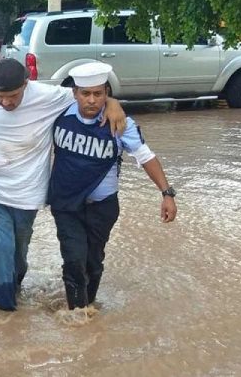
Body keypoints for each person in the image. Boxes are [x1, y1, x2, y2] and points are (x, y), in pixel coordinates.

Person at [0, 58, 126, 311]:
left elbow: (86, 95)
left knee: (19, 249)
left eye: (13, 96)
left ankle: (15, 283)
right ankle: (5, 308)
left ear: (26, 85)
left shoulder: (48, 96)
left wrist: (114, 102)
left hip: (28, 193)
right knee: (0, 247)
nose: (6, 103)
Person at [47, 62, 178, 310]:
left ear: (106, 93)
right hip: (65, 204)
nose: (92, 100)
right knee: (74, 260)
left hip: (102, 207)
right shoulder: (59, 111)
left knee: (93, 262)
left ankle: (89, 306)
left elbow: (146, 156)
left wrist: (166, 193)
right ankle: (78, 317)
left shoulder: (120, 123)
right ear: (74, 93)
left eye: (98, 94)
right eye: (85, 93)